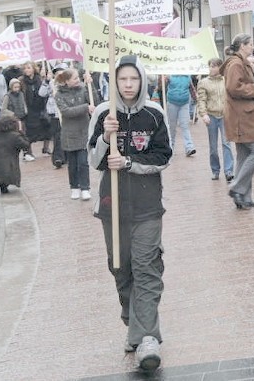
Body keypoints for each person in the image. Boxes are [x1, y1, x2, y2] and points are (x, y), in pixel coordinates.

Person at [87, 55, 172, 371]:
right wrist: (104, 138)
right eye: (122, 79)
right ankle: (133, 322)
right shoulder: (101, 113)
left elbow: (164, 156)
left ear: (141, 81)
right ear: (114, 81)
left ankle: (148, 337)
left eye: (133, 79)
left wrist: (131, 164)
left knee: (147, 267)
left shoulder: (155, 113)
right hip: (111, 207)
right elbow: (93, 161)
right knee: (120, 268)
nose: (127, 84)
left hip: (148, 206)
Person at [221, 33, 254, 209]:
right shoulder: (236, 63)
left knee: (243, 155)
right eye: (250, 44)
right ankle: (237, 187)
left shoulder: (239, 62)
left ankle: (244, 197)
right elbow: (233, 87)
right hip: (242, 116)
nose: (252, 47)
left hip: (243, 114)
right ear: (242, 45)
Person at [55, 68, 96, 200]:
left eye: (78, 77)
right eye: (74, 78)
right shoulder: (59, 95)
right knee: (72, 164)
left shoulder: (83, 89)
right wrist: (85, 108)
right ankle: (74, 187)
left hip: (84, 131)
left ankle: (85, 188)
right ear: (66, 81)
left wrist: (91, 85)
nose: (78, 80)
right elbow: (66, 112)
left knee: (83, 162)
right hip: (69, 133)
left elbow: (94, 100)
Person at [196, 57, 234, 182]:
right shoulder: (203, 82)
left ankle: (229, 171)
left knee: (226, 143)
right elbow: (201, 100)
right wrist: (203, 114)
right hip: (211, 116)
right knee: (213, 146)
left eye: (214, 66)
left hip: (225, 115)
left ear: (219, 67)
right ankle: (215, 170)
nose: (211, 69)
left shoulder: (226, 80)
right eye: (210, 66)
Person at [38, 62, 69, 168]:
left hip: (67, 113)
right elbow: (41, 93)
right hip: (54, 114)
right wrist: (46, 80)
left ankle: (66, 156)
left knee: (66, 135)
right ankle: (58, 158)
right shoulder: (51, 83)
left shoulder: (69, 84)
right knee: (58, 136)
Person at [20, 61, 50, 160]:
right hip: (29, 109)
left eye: (28, 68)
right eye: (25, 68)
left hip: (41, 107)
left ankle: (46, 148)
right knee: (29, 132)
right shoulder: (21, 81)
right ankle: (28, 152)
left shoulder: (40, 79)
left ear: (33, 68)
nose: (26, 70)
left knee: (46, 128)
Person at [165, 74, 196, 156]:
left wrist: (196, 99)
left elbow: (191, 88)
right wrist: (164, 79)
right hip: (172, 103)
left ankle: (189, 147)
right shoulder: (170, 75)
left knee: (185, 125)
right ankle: (170, 147)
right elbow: (161, 86)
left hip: (184, 104)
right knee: (172, 127)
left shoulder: (187, 76)